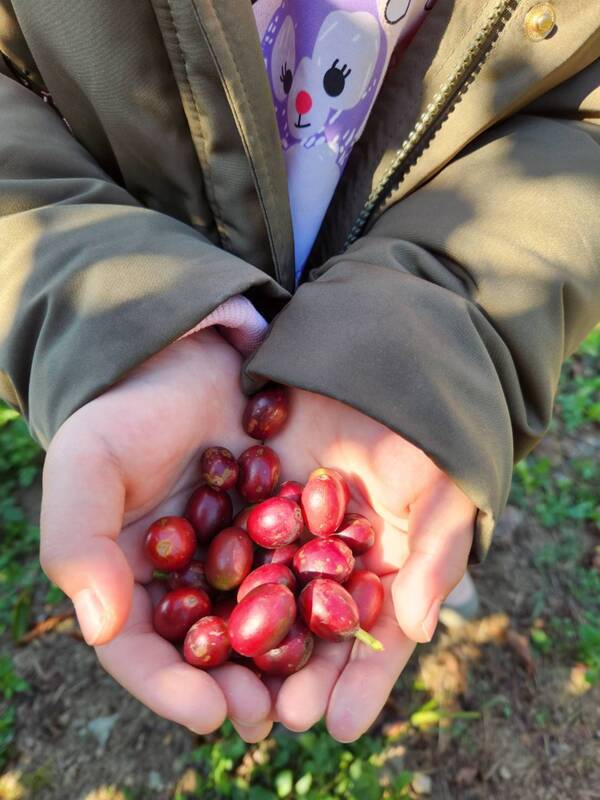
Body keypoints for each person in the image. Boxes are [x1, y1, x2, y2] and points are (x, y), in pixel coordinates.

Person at [0, 0, 598, 745]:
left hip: (403, 280)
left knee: (404, 531)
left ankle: (410, 520)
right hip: (151, 226)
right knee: (397, 536)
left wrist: (443, 334)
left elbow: (582, 109)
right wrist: (118, 320)